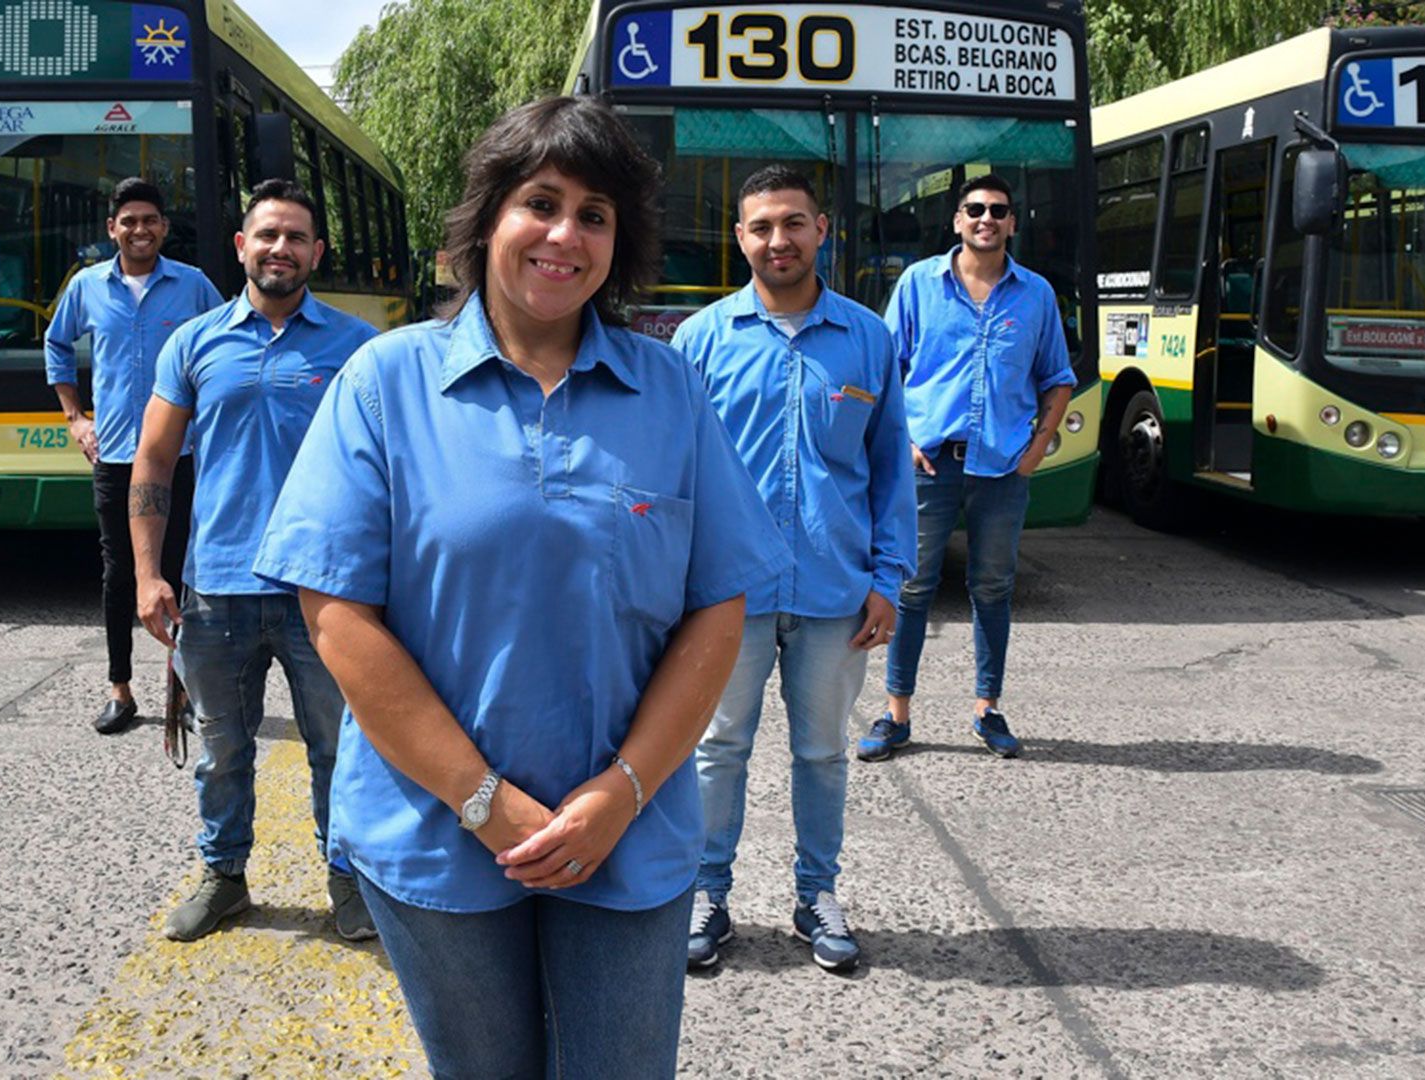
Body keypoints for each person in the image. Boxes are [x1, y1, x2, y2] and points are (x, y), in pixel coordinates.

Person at [253, 98, 791, 1078]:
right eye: (540, 203)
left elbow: (720, 601)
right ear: (486, 219)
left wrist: (624, 792)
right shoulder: (387, 383)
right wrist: (483, 800)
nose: (564, 234)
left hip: (626, 836)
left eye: (595, 214)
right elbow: (335, 611)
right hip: (437, 833)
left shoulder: (668, 391)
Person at [671, 165, 914, 972]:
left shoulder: (868, 339)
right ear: (740, 237)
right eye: (762, 226)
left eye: (794, 223)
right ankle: (708, 892)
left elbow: (889, 472)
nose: (779, 240)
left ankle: (817, 894)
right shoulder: (701, 342)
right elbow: (676, 473)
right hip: (724, 597)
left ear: (822, 231)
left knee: (820, 753)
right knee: (717, 747)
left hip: (832, 593)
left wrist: (889, 579)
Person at [127, 179, 379, 943]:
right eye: (267, 235)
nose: (280, 248)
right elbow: (153, 461)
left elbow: (387, 467)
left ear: (317, 253)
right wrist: (146, 574)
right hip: (216, 588)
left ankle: (348, 880)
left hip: (323, 591)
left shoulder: (356, 346)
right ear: (242, 246)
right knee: (221, 750)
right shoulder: (195, 342)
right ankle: (224, 876)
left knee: (337, 749)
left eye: (296, 237)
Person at [857, 174, 1076, 763]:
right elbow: (884, 369)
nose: (986, 218)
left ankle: (987, 708)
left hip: (1002, 469)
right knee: (912, 589)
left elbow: (1057, 377)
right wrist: (900, 446)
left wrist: (1037, 448)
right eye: (975, 209)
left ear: (1012, 223)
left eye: (998, 211)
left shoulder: (1036, 296)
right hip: (927, 465)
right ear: (957, 220)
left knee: (993, 589)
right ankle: (895, 713)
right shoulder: (918, 285)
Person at [44, 178, 220, 735]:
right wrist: (75, 416)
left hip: (182, 453)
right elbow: (55, 343)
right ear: (111, 228)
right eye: (129, 221)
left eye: (150, 220)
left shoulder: (193, 287)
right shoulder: (87, 288)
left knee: (182, 572)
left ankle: (186, 688)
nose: (139, 230)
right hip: (117, 455)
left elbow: (227, 341)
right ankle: (120, 688)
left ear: (164, 228)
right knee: (120, 573)